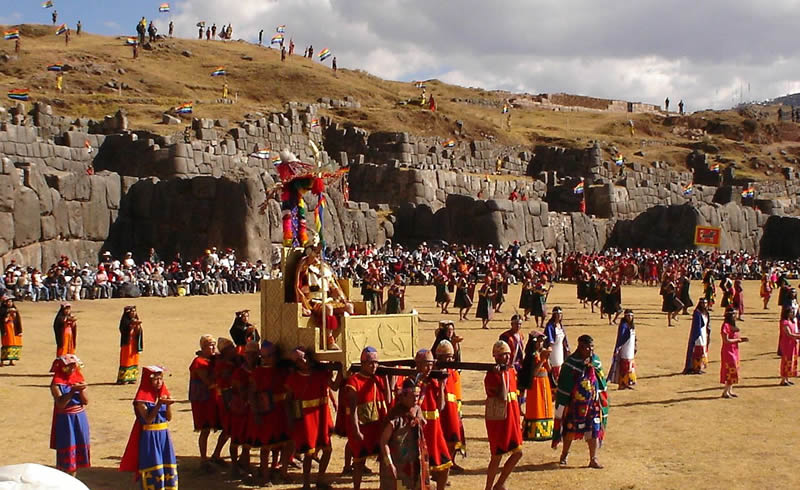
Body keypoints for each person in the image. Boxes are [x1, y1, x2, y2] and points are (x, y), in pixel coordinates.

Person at [285, 348, 341, 490]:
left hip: (322, 414)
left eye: (304, 358)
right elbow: (289, 401)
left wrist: (342, 368)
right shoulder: (293, 378)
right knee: (309, 453)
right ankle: (306, 484)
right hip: (306, 419)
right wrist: (291, 420)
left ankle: (320, 479)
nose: (303, 361)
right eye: (299, 360)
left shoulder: (321, 373)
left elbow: (334, 386)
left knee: (327, 450)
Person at [553, 334, 608, 469]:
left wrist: (601, 396)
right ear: (580, 347)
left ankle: (593, 459)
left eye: (591, 347)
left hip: (592, 404)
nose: (590, 350)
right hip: (575, 404)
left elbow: (601, 380)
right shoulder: (570, 363)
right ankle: (564, 455)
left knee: (594, 429)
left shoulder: (595, 361)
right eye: (586, 347)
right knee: (570, 430)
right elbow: (564, 384)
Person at [120, 365, 178, 489]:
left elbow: (168, 418)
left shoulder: (163, 394)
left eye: (161, 379)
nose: (159, 382)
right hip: (150, 436)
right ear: (149, 381)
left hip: (163, 434)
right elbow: (147, 419)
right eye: (156, 379)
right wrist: (159, 405)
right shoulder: (141, 400)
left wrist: (168, 405)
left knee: (166, 463)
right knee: (153, 463)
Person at [345, 347, 390, 490]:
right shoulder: (353, 381)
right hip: (362, 428)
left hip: (376, 427)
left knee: (383, 459)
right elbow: (352, 410)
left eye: (376, 363)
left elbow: (388, 399)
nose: (374, 366)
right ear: (362, 363)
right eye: (371, 363)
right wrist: (356, 430)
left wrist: (386, 379)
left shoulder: (377, 379)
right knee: (358, 462)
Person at [295, 243, 354, 349]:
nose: (318, 256)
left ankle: (345, 336)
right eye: (315, 253)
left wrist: (342, 297)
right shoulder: (304, 266)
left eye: (318, 254)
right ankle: (328, 339)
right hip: (313, 301)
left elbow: (333, 286)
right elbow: (308, 261)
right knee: (328, 308)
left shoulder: (325, 268)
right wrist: (316, 249)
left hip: (327, 299)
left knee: (349, 307)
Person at [249, 341, 291, 484]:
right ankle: (265, 476)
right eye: (265, 356)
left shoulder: (282, 371)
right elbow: (252, 394)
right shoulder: (257, 373)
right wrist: (256, 413)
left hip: (281, 411)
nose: (267, 359)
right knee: (266, 446)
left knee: (285, 443)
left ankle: (283, 473)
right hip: (266, 412)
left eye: (270, 356)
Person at [484, 340, 523, 490]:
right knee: (497, 456)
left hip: (512, 418)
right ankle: (488, 487)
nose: (506, 358)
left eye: (507, 354)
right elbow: (502, 396)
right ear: (496, 357)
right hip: (499, 420)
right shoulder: (492, 375)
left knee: (518, 453)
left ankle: (499, 484)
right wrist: (501, 376)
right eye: (502, 355)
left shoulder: (511, 371)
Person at [410, 349, 451, 489]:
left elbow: (441, 407)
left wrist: (441, 386)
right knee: (420, 471)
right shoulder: (411, 382)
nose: (429, 368)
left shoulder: (434, 381)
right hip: (420, 430)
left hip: (435, 430)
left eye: (431, 364)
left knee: (445, 466)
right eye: (426, 364)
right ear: (418, 364)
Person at [380, 378, 430, 490]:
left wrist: (418, 420)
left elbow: (422, 423)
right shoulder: (394, 416)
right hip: (397, 465)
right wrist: (390, 464)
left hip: (414, 465)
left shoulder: (417, 409)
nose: (415, 399)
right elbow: (384, 442)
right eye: (412, 396)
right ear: (403, 396)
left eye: (417, 396)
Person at [188, 335, 226, 471]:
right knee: (205, 430)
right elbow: (209, 382)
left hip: (214, 398)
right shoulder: (198, 362)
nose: (213, 347)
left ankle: (216, 454)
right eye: (210, 345)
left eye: (214, 344)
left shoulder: (214, 360)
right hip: (203, 401)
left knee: (227, 428)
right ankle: (203, 459)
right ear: (203, 347)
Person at [50, 354, 90, 477]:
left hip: (79, 417)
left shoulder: (78, 379)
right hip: (65, 419)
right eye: (69, 367)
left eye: (74, 366)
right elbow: (60, 404)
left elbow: (85, 401)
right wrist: (72, 392)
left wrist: (82, 390)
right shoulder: (56, 384)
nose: (72, 369)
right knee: (67, 447)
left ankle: (73, 476)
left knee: (78, 448)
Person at [434, 340, 466, 473]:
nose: (449, 359)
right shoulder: (435, 372)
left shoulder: (451, 371)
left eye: (450, 357)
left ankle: (451, 461)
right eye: (447, 357)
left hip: (453, 408)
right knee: (442, 438)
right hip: (441, 409)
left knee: (455, 436)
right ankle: (441, 466)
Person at [519, 333, 553, 441]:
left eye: (542, 341)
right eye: (538, 341)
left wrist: (546, 359)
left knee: (545, 405)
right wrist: (542, 360)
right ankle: (534, 432)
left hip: (544, 382)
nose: (540, 344)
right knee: (536, 405)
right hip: (536, 384)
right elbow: (533, 372)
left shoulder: (542, 352)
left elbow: (549, 369)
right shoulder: (531, 355)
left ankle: (546, 431)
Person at [720, 308, 748, 398]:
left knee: (734, 369)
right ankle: (725, 391)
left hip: (734, 350)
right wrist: (739, 340)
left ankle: (729, 390)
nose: (736, 316)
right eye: (734, 314)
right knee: (730, 370)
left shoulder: (731, 325)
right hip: (728, 351)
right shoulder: (725, 326)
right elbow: (726, 340)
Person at [607, 309, 637, 390]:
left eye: (631, 316)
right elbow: (620, 338)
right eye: (628, 316)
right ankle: (622, 383)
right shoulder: (623, 325)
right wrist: (618, 348)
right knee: (624, 366)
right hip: (625, 350)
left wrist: (635, 346)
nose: (630, 317)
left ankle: (627, 382)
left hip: (630, 349)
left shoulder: (631, 325)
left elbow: (634, 337)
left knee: (630, 366)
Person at [683, 298, 711, 374]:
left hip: (704, 334)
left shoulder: (706, 313)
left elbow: (707, 325)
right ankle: (695, 368)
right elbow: (696, 326)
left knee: (703, 351)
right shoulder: (697, 313)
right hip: (698, 335)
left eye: (705, 303)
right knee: (697, 352)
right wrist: (697, 336)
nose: (704, 305)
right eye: (703, 303)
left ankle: (700, 367)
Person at [117, 306, 143, 384]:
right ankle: (124, 378)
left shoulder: (136, 320)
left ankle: (132, 377)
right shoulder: (125, 322)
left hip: (134, 344)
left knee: (134, 360)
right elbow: (123, 330)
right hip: (127, 344)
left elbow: (139, 332)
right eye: (131, 311)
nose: (133, 313)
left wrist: (137, 326)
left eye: (134, 311)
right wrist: (131, 326)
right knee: (126, 360)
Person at [544, 306, 569, 382]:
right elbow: (550, 341)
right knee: (555, 365)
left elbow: (564, 340)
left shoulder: (561, 326)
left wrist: (567, 349)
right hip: (553, 351)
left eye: (560, 314)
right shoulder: (550, 326)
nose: (559, 316)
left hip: (560, 349)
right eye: (557, 314)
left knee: (561, 364)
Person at [778, 307, 800, 386]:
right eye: (791, 312)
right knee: (786, 360)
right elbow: (789, 334)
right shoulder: (784, 322)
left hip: (792, 343)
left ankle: (786, 379)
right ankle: (783, 379)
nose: (792, 314)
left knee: (791, 359)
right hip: (787, 344)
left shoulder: (792, 321)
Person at [0, 300, 22, 366]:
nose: (9, 303)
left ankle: (11, 360)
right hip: (6, 330)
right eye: (8, 302)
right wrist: (7, 316)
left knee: (14, 344)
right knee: (6, 344)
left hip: (14, 330)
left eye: (10, 302)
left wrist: (20, 331)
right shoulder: (2, 310)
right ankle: (2, 361)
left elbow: (18, 321)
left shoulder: (15, 310)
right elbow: (2, 321)